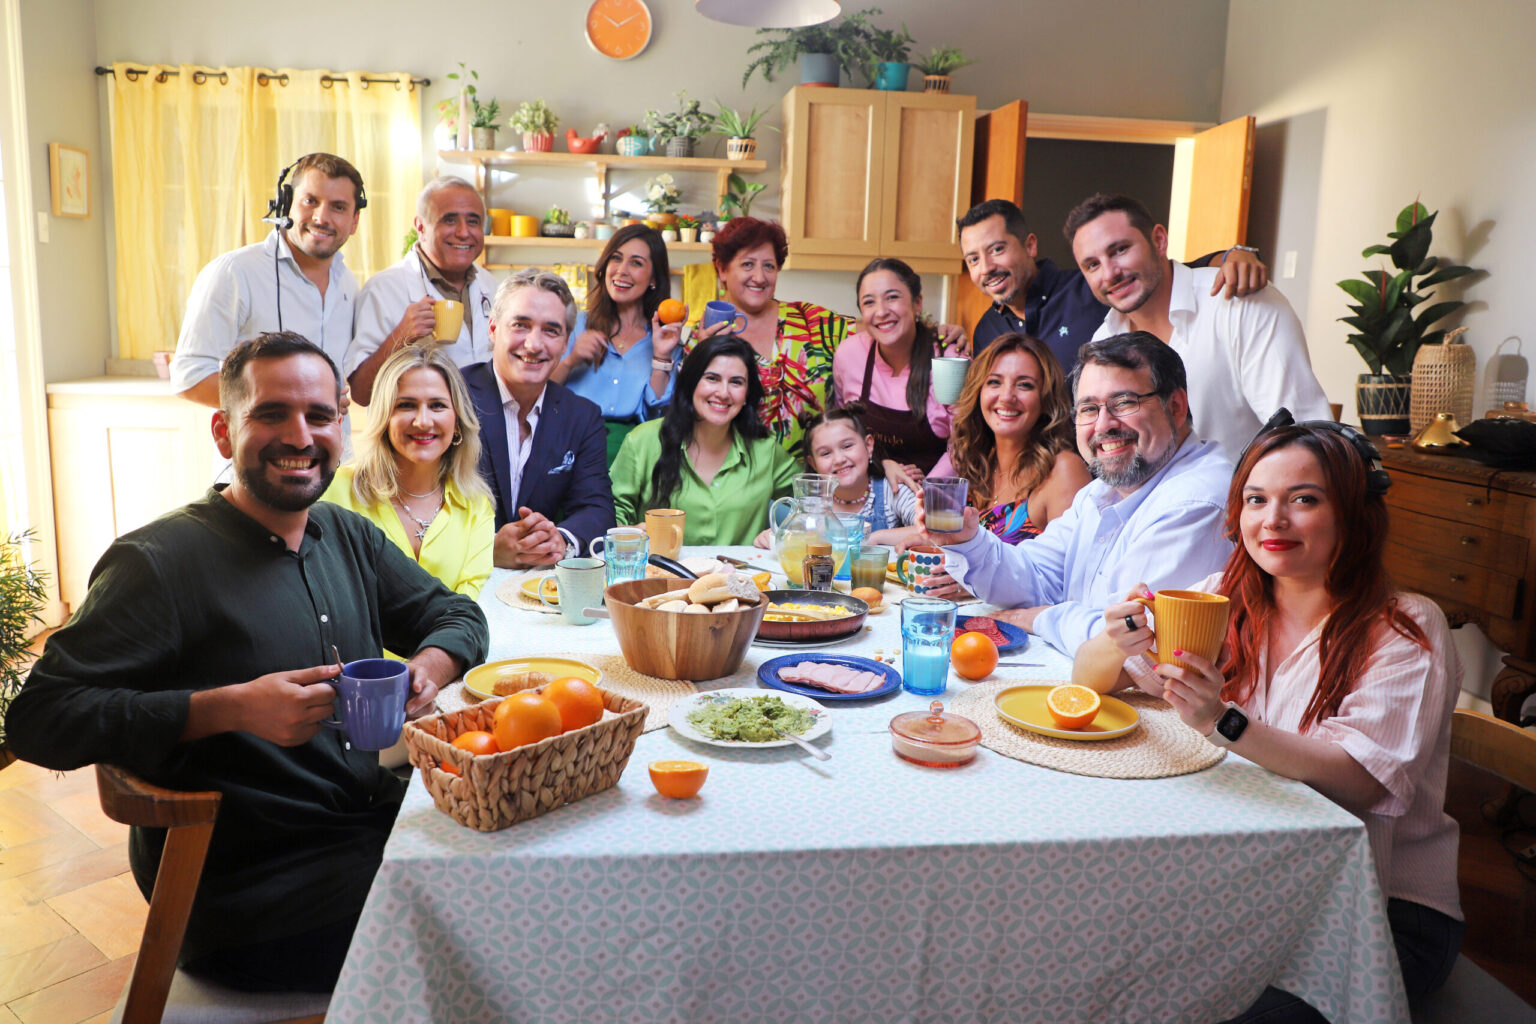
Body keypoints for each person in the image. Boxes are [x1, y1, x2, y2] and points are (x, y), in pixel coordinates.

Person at [5, 333, 488, 993]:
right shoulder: (158, 562)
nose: (300, 435)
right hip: (247, 893)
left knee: (518, 864)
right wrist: (228, 708)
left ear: (341, 429)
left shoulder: (345, 534)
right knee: (489, 925)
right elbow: (37, 720)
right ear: (224, 432)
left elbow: (458, 615)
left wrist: (428, 668)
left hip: (362, 827)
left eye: (319, 416)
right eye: (271, 414)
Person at [1079, 410, 1463, 1014]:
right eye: (1256, 499)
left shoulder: (1405, 628)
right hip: (1252, 877)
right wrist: (1120, 638)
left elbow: (1361, 779)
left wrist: (1223, 722)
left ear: (1352, 513)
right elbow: (1094, 683)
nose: (1272, 521)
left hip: (1379, 910)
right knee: (1108, 964)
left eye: (1303, 500)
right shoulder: (1221, 598)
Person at [923, 332, 1233, 657]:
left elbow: (1128, 643)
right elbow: (1035, 578)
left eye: (1124, 402)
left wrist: (1044, 618)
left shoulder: (1195, 500)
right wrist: (967, 540)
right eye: (1088, 409)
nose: (1103, 424)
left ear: (1176, 406)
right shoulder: (1104, 491)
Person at [1068, 192, 1332, 457]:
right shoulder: (1103, 341)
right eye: (1092, 265)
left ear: (1159, 241)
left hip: (1248, 493)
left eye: (1120, 250)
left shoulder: (1239, 304)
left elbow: (1304, 435)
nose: (1110, 273)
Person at [704, 216, 967, 453]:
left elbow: (882, 325)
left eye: (769, 266)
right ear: (722, 269)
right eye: (747, 265)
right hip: (740, 484)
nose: (760, 277)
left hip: (821, 480)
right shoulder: (704, 338)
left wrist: (939, 332)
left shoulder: (812, 321)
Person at [958, 197, 1269, 371]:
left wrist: (1233, 256)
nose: (987, 268)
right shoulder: (987, 329)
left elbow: (1163, 273)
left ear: (1030, 246)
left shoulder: (1092, 288)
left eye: (997, 249)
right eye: (973, 259)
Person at [172, 153, 365, 408]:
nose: (321, 217)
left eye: (338, 207)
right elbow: (189, 378)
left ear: (354, 221)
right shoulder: (234, 273)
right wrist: (284, 404)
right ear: (286, 205)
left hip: (337, 447)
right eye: (310, 201)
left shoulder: (348, 284)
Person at [463, 269, 615, 569]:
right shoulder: (452, 398)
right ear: (493, 329)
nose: (534, 345)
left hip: (537, 585)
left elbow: (595, 508)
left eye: (551, 330)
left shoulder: (582, 417)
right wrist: (485, 548)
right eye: (520, 325)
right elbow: (421, 504)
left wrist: (559, 540)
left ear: (565, 342)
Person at [323, 344, 494, 598]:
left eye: (437, 405)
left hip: (446, 637)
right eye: (406, 405)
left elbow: (467, 609)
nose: (423, 421)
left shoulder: (476, 506)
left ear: (457, 422)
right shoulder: (334, 492)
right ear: (384, 417)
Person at [611, 334, 798, 546]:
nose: (723, 393)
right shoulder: (642, 441)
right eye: (712, 378)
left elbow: (812, 504)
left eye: (736, 382)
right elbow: (610, 512)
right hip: (659, 574)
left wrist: (778, 535)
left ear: (747, 394)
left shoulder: (766, 449)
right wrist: (628, 532)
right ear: (691, 382)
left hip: (742, 577)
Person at [346, 176, 495, 406]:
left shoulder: (492, 287)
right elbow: (361, 393)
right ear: (420, 227)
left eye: (473, 221)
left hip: (483, 434)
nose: (464, 232)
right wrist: (401, 337)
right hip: (417, 432)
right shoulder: (383, 289)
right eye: (450, 220)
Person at [936, 332, 1090, 544]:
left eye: (1024, 385)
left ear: (1046, 399)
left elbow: (1070, 572)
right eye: (994, 382)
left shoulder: (1064, 470)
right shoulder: (978, 462)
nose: (1007, 397)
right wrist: (878, 537)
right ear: (978, 392)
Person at [549, 225, 684, 464]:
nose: (622, 271)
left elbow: (657, 412)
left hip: (636, 456)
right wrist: (570, 361)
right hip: (569, 448)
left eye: (636, 263)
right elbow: (538, 392)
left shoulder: (664, 338)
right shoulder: (576, 324)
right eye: (616, 259)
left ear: (654, 278)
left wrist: (661, 355)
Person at [830, 258, 957, 474]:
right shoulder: (850, 355)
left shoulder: (947, 361)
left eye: (892, 297)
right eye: (869, 302)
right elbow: (844, 433)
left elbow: (964, 444)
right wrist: (881, 466)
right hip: (867, 493)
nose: (881, 312)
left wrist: (925, 493)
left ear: (917, 303)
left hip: (935, 496)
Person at [752, 405, 921, 551]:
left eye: (847, 446)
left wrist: (876, 538)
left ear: (868, 445)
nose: (839, 459)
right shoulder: (812, 506)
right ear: (813, 463)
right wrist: (772, 536)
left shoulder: (892, 490)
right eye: (825, 453)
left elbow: (932, 531)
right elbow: (795, 538)